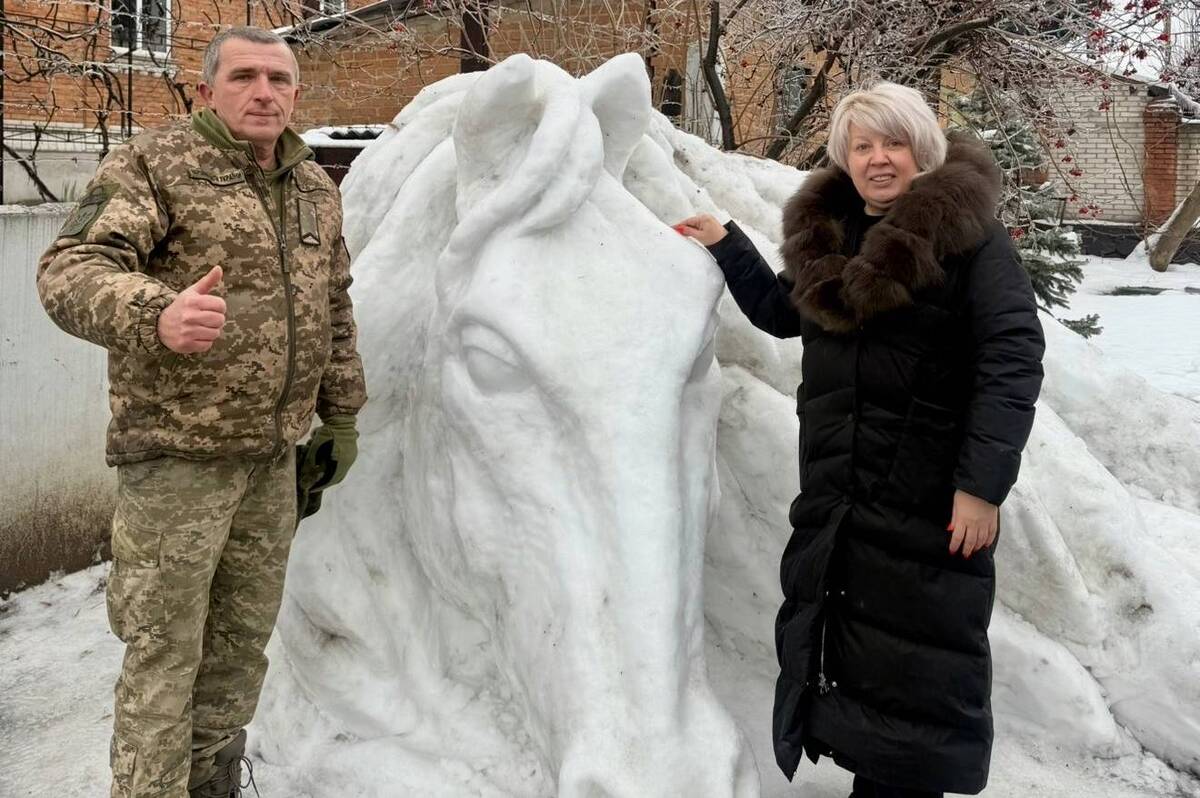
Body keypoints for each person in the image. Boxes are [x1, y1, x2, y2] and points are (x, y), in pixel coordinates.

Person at [676, 82, 1045, 797]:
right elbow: (791, 316)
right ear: (845, 157)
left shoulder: (971, 245)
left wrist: (981, 487)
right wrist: (729, 244)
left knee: (917, 673)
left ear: (922, 149)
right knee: (861, 663)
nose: (879, 160)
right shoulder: (834, 239)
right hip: (845, 495)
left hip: (928, 500)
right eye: (863, 146)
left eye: (894, 143)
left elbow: (1011, 362)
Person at [36, 26, 366, 798]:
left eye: (280, 79)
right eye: (246, 76)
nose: (265, 92)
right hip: (178, 462)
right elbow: (68, 270)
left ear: (296, 94)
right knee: (164, 654)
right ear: (207, 89)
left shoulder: (314, 187)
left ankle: (210, 784)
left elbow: (334, 306)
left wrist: (341, 415)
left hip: (271, 463)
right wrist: (156, 313)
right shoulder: (156, 165)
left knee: (237, 651)